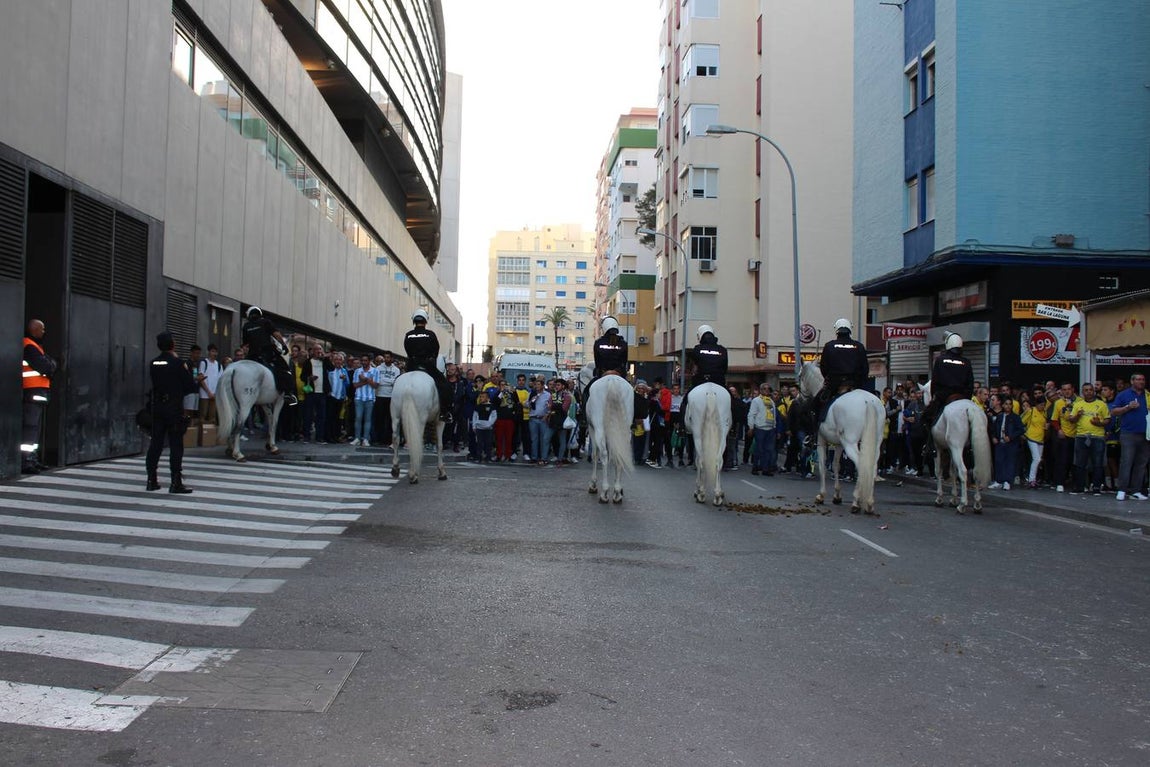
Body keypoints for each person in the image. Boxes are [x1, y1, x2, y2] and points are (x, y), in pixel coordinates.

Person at [145, 331, 198, 493]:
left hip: (157, 407)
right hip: (173, 408)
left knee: (155, 444)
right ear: (173, 345)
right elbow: (190, 386)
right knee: (176, 445)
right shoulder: (178, 363)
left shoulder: (154, 363)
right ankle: (175, 482)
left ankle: (151, 479)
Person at [814, 318, 869, 428]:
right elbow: (865, 368)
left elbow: (824, 367)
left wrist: (828, 378)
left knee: (815, 405)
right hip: (856, 384)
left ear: (837, 330)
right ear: (850, 330)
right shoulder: (859, 346)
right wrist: (861, 382)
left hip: (835, 384)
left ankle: (815, 434)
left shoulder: (829, 346)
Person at [403, 309, 453, 423]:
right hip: (427, 366)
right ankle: (445, 412)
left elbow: (407, 350)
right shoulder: (430, 334)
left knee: (398, 381)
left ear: (414, 321)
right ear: (425, 321)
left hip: (412, 365)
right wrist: (431, 358)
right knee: (445, 386)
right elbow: (436, 350)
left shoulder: (408, 335)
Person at [21, 319, 57, 474]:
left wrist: (50, 365)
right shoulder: (29, 346)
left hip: (37, 393)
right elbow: (46, 365)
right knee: (30, 428)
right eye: (41, 329)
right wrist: (50, 365)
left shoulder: (35, 346)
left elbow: (50, 364)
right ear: (34, 330)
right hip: (32, 392)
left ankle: (32, 459)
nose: (44, 332)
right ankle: (26, 461)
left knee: (35, 430)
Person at [241, 306, 297, 406]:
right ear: (259, 314)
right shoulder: (266, 322)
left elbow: (246, 344)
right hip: (267, 352)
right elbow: (277, 335)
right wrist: (284, 346)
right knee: (284, 369)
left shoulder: (246, 326)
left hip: (252, 355)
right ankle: (288, 393)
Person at [922, 331, 975, 430]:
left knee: (927, 417)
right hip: (963, 396)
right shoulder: (966, 362)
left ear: (948, 345)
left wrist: (934, 396)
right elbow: (970, 382)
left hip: (944, 396)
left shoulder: (940, 360)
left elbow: (935, 381)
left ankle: (929, 443)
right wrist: (967, 397)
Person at [1066, 383, 1110, 495]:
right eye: (1086, 390)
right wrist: (1078, 416)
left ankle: (1096, 487)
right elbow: (1071, 419)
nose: (1089, 392)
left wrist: (1098, 423)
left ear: (1094, 391)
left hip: (1098, 437)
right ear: (1082, 392)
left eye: (1090, 390)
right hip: (1081, 436)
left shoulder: (1101, 404)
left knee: (1098, 463)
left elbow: (1107, 420)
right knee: (1080, 463)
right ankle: (1080, 487)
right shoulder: (1078, 404)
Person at [683, 325, 729, 425]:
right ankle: (733, 427)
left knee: (685, 401)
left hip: (701, 380)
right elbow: (725, 368)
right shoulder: (723, 350)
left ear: (700, 336)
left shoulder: (697, 349)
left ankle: (681, 427)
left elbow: (694, 366)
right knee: (732, 402)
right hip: (718, 380)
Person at [586, 315, 628, 403]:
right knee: (632, 393)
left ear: (604, 328)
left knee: (587, 392)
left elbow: (597, 362)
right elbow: (624, 361)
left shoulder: (598, 343)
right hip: (619, 374)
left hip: (603, 374)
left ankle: (584, 413)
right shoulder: (623, 343)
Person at [988, 395, 1023, 490]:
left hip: (1011, 444)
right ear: (1002, 405)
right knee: (999, 461)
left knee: (1009, 462)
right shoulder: (999, 417)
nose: (1008, 406)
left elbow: (1021, 430)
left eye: (1010, 404)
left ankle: (1007, 481)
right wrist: (994, 437)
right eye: (1006, 404)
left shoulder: (1015, 417)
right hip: (1000, 443)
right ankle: (999, 481)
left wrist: (1011, 437)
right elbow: (993, 429)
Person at [747, 382, 778, 476]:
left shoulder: (771, 401)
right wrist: (751, 427)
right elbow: (752, 414)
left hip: (770, 428)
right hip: (760, 428)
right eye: (765, 389)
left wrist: (774, 426)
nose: (767, 390)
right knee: (759, 449)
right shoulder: (756, 400)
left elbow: (774, 415)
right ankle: (755, 467)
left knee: (769, 450)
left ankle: (766, 468)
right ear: (761, 390)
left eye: (768, 389)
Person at [197, 343, 222, 425]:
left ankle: (210, 435)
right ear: (208, 352)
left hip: (215, 394)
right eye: (212, 351)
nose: (214, 354)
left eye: (216, 352)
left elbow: (220, 380)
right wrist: (208, 392)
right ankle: (202, 435)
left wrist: (215, 393)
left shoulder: (218, 365)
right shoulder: (204, 362)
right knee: (202, 415)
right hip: (205, 393)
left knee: (213, 417)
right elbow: (201, 379)